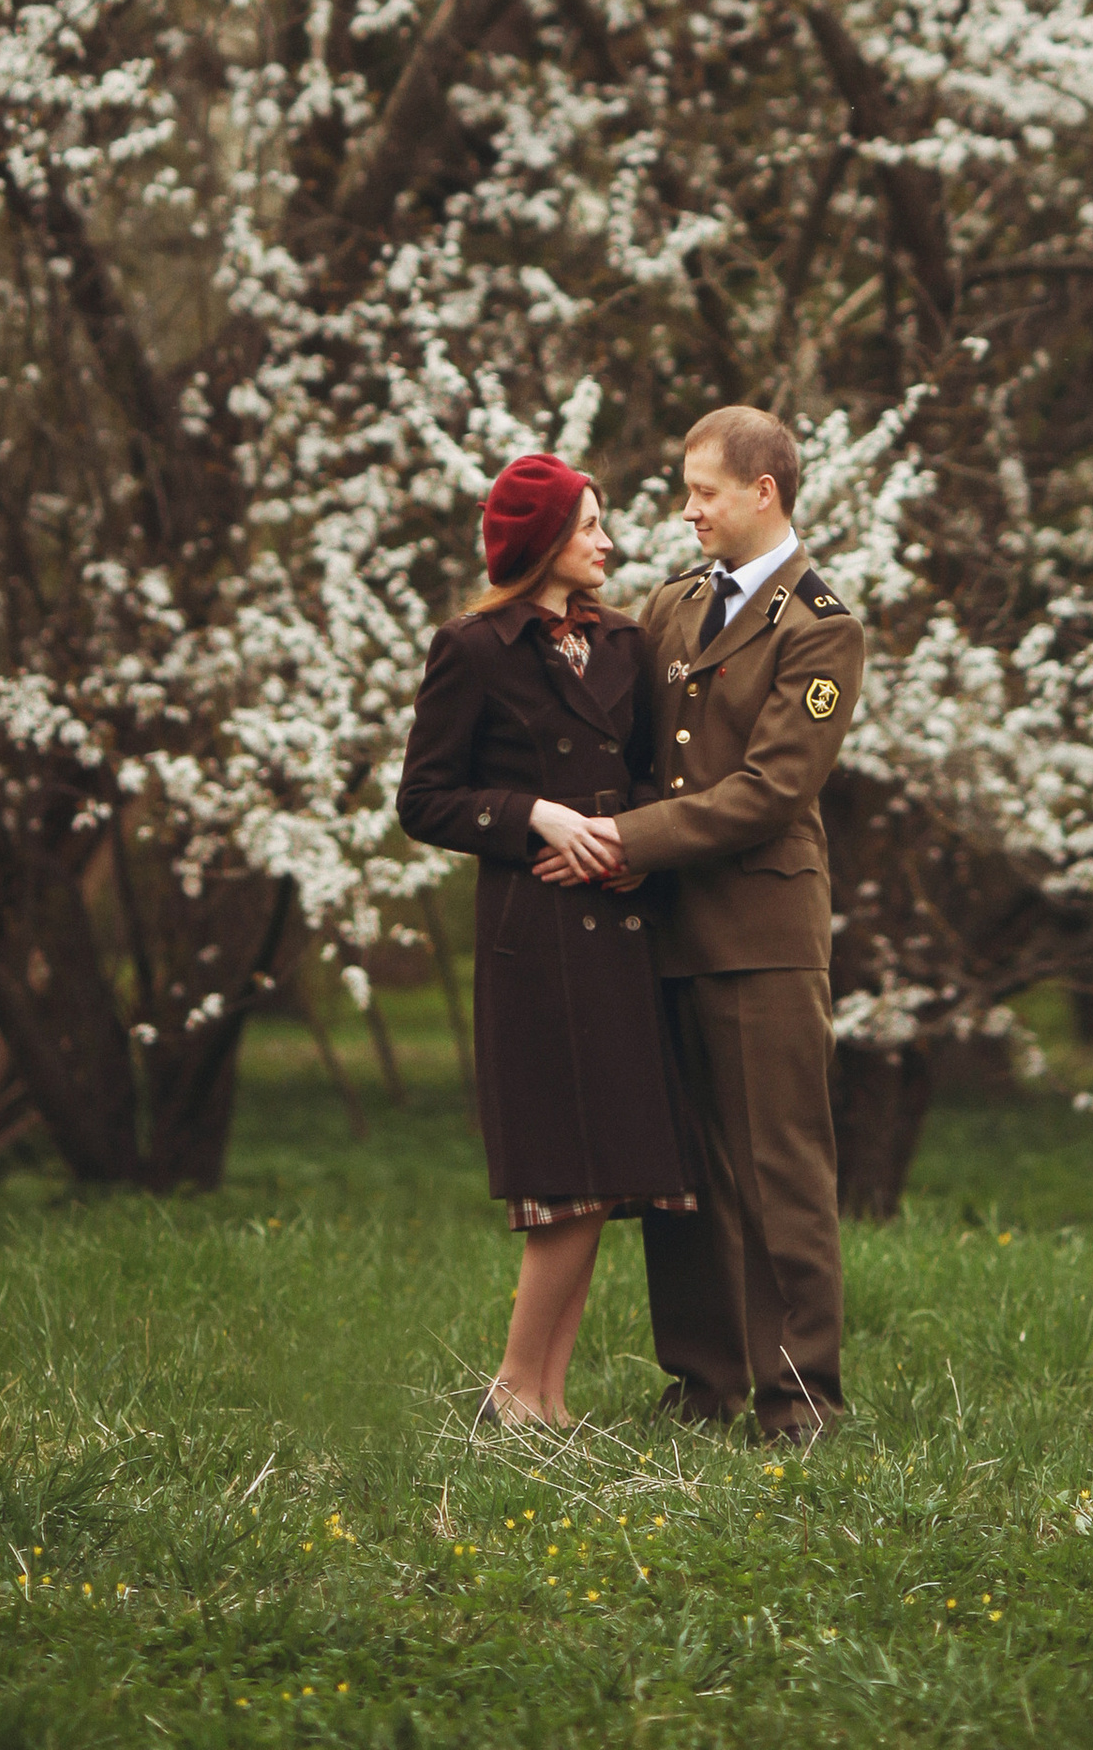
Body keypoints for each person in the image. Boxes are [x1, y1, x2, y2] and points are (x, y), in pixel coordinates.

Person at [535, 401, 865, 1445]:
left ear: (762, 492)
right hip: (662, 929)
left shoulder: (821, 628)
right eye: (687, 494)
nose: (688, 514)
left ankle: (799, 1398)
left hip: (758, 938)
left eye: (705, 495)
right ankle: (704, 1385)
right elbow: (627, 745)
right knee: (677, 1177)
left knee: (777, 1172)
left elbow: (769, 792)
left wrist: (625, 842)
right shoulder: (672, 607)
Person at [395, 448, 700, 1428]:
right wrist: (532, 813)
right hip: (536, 940)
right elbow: (425, 799)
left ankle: (545, 1400)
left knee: (606, 1172)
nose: (607, 542)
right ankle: (513, 1393)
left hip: (621, 929)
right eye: (587, 526)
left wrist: (634, 850)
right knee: (565, 1179)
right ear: (541, 543)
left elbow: (661, 778)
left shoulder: (626, 642)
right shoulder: (472, 647)